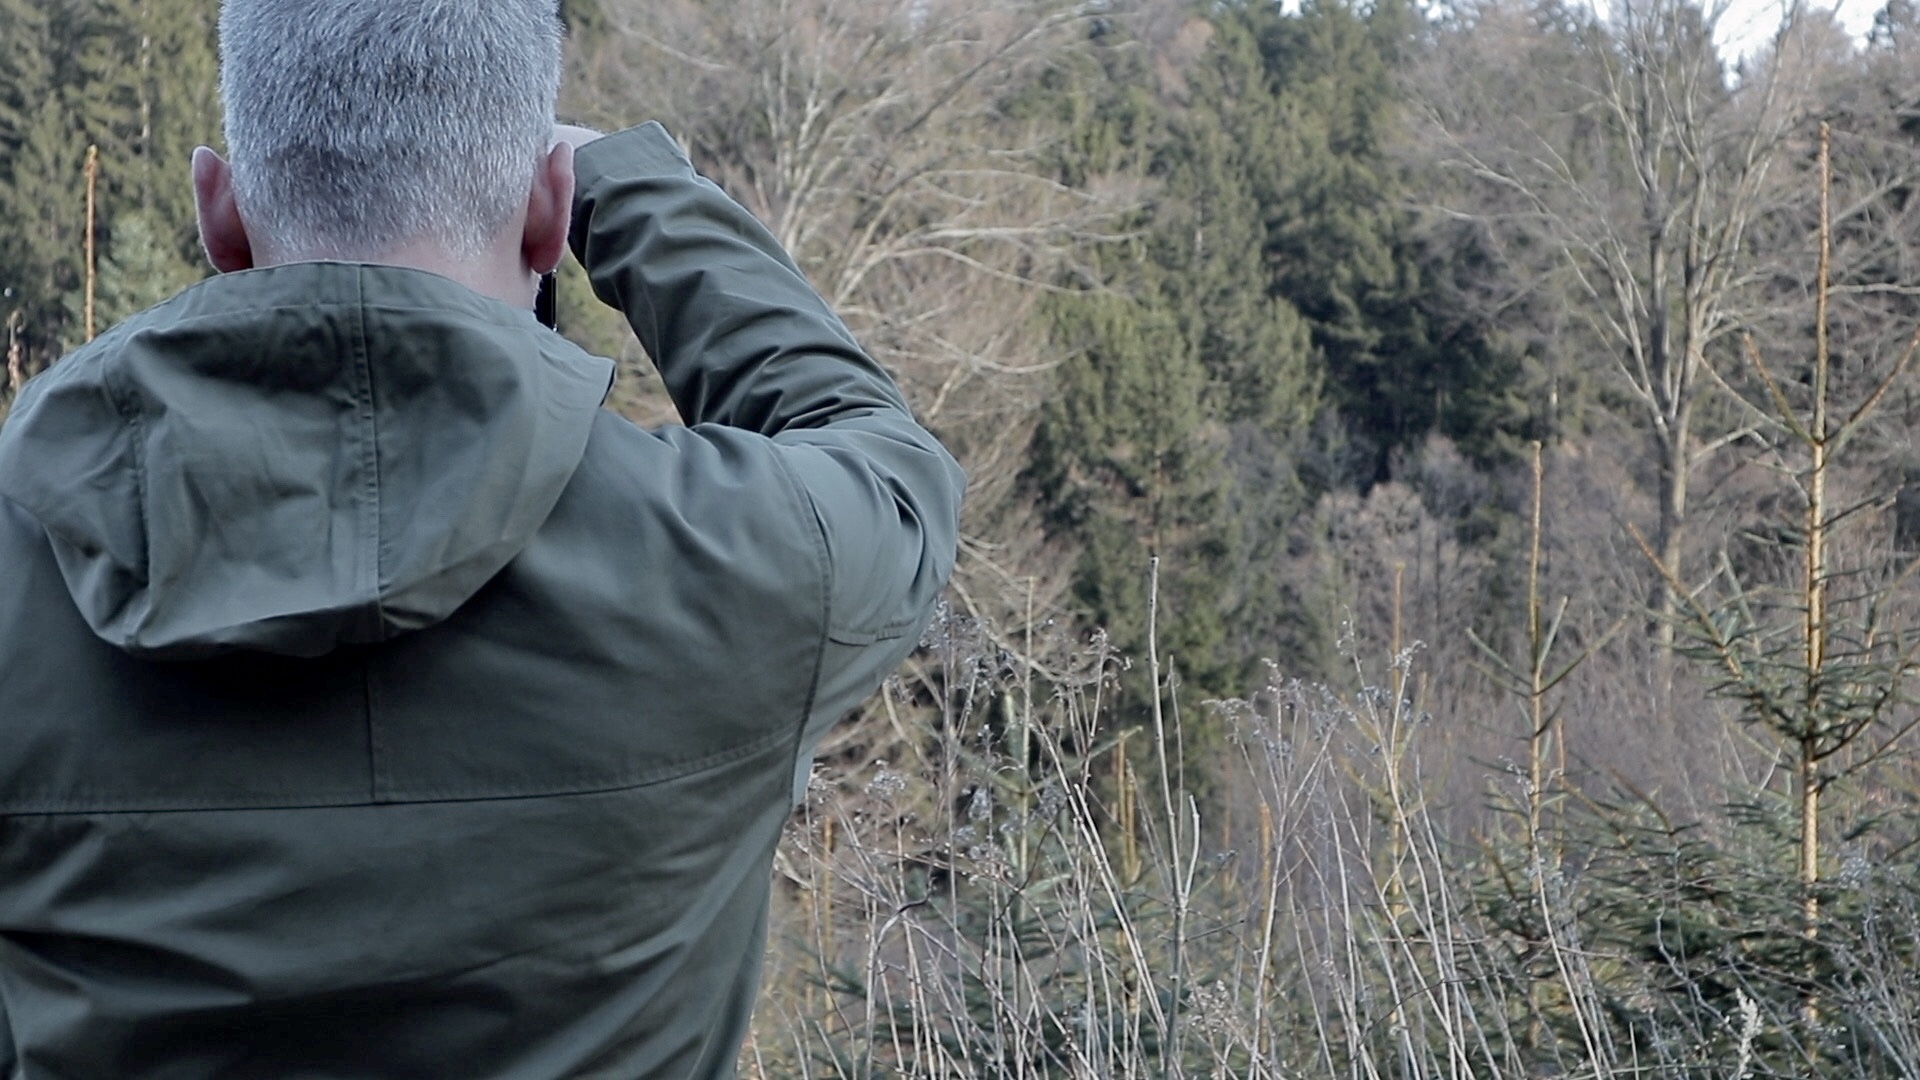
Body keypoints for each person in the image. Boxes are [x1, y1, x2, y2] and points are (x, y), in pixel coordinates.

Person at [0, 0, 964, 1076]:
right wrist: (627, 186)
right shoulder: (745, 566)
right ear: (552, 214)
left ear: (218, 213)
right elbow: (886, 462)